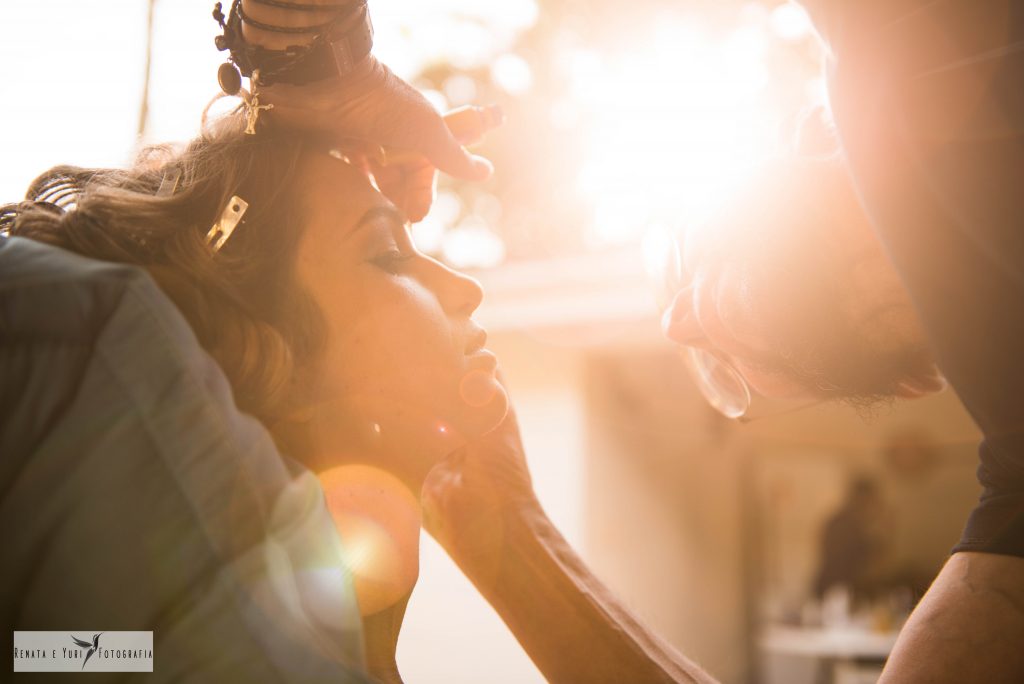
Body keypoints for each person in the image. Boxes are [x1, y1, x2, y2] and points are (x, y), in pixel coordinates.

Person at [246, 0, 1024, 680]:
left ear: (817, 127)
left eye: (689, 255)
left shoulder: (907, 42)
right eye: (725, 373)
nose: (684, 321)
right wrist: (507, 530)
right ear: (919, 378)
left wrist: (322, 60)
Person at [1, 112, 507, 682]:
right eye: (389, 255)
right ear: (263, 349)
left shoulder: (166, 628)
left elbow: (41, 653)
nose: (467, 288)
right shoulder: (109, 349)